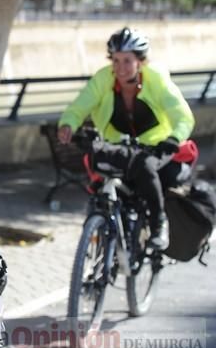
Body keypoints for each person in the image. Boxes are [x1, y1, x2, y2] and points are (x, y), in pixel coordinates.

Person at [57, 27, 195, 250]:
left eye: (127, 61)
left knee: (144, 165)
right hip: (119, 147)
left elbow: (183, 117)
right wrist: (68, 124)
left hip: (156, 147)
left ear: (140, 61)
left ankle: (158, 223)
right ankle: (99, 233)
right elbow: (79, 106)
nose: (120, 68)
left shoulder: (156, 79)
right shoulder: (103, 79)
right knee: (98, 171)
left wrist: (174, 138)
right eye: (116, 60)